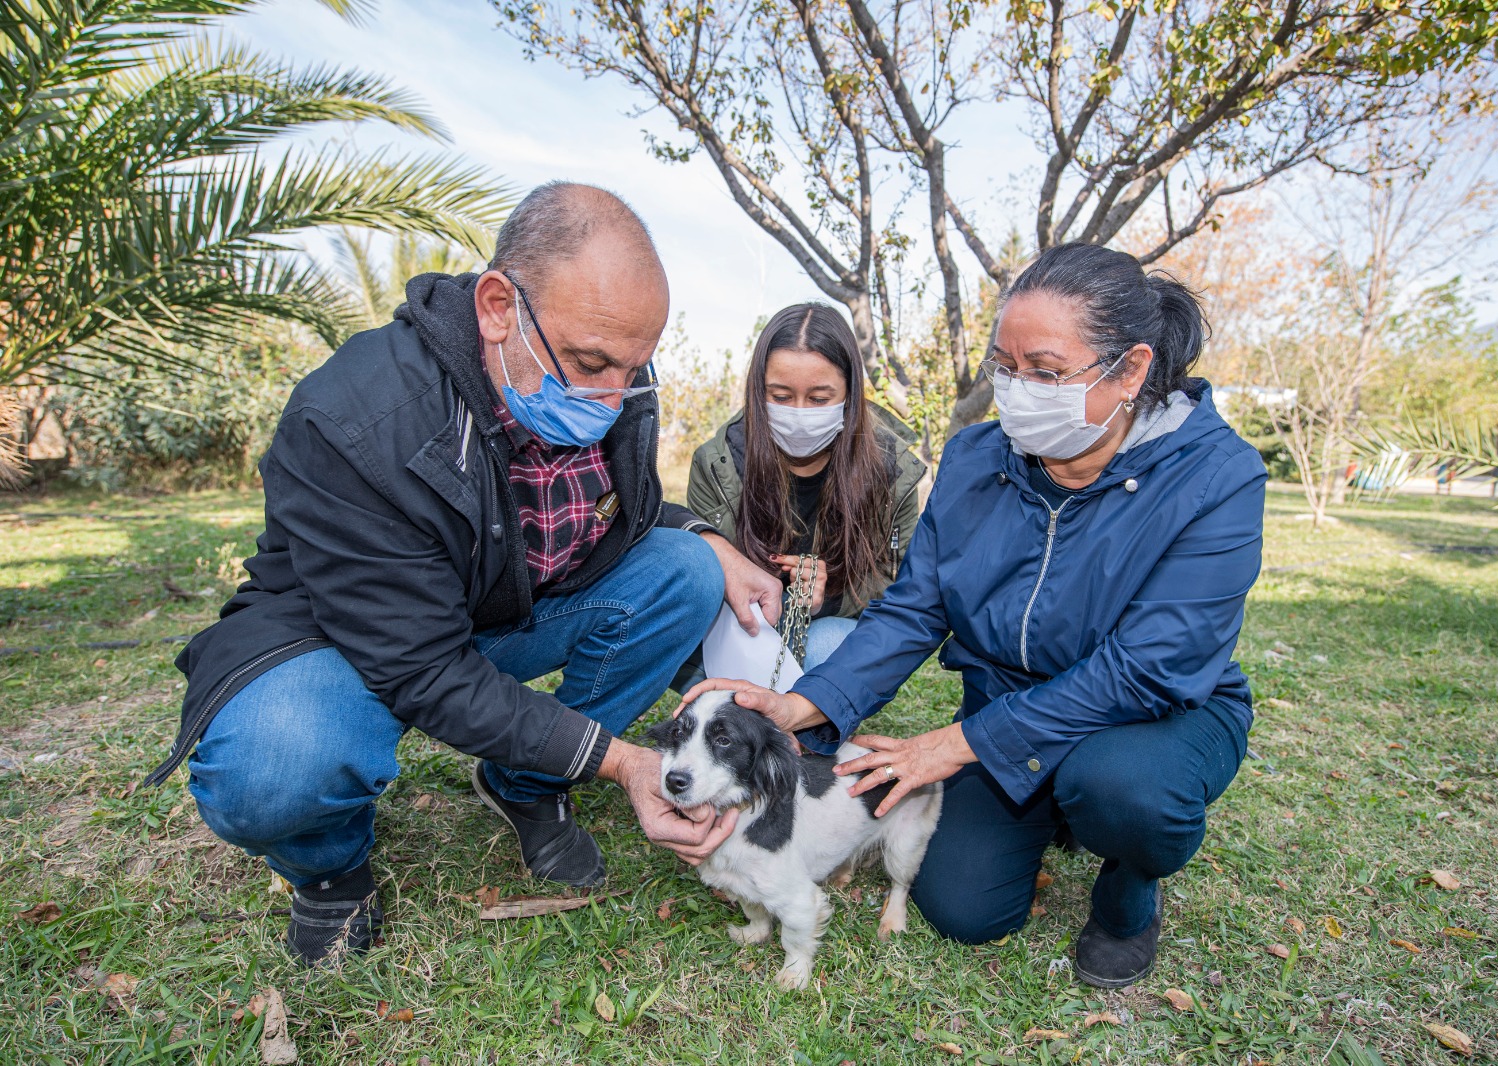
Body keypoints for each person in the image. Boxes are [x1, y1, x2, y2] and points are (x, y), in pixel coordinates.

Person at [144, 182, 783, 966]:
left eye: (633, 368)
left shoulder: (606, 374)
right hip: (348, 647)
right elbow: (420, 665)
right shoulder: (353, 417)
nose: (613, 397)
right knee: (275, 764)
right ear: (495, 307)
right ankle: (331, 869)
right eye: (590, 364)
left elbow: (622, 508)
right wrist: (618, 760)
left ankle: (521, 781)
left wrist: (700, 534)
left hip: (498, 615)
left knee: (684, 571)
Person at [692, 242, 1268, 989]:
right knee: (964, 908)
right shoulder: (975, 460)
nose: (1017, 392)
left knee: (1128, 792)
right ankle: (1056, 802)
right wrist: (803, 704)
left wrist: (958, 745)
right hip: (1009, 708)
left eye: (1047, 373)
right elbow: (913, 608)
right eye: (1005, 366)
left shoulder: (1219, 477)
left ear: (1128, 370)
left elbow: (1148, 668)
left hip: (1148, 721)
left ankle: (1129, 892)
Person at [684, 303, 924, 670]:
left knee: (829, 646)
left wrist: (829, 599)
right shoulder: (717, 464)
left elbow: (896, 589)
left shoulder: (894, 472)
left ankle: (808, 711)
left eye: (819, 399)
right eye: (780, 397)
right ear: (757, 391)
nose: (799, 413)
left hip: (832, 634)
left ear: (850, 394)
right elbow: (700, 572)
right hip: (739, 633)